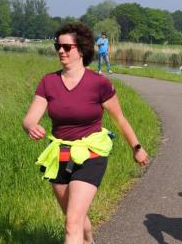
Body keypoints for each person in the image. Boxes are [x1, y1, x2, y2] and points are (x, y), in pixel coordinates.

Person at [22, 23, 149, 244]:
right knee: (77, 220)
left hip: (91, 154)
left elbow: (120, 119)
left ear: (81, 49)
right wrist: (31, 126)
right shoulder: (48, 82)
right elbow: (30, 117)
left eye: (66, 47)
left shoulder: (99, 84)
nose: (61, 51)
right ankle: (89, 240)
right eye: (57, 46)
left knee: (72, 223)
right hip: (59, 155)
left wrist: (136, 148)